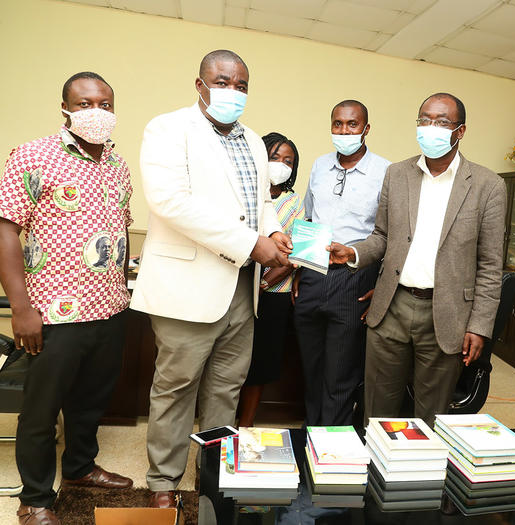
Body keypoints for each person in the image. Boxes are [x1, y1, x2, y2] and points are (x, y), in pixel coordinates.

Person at [130, 49, 291, 509]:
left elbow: (260, 202)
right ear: (200, 85)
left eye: (241, 86)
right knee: (176, 387)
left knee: (226, 388)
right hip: (188, 287)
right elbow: (171, 202)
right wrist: (250, 243)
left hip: (242, 291)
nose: (232, 92)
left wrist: (274, 229)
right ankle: (163, 483)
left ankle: (213, 476)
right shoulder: (168, 129)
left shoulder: (256, 141)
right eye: (223, 82)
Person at [0, 72, 133, 525]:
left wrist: (125, 290)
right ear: (66, 109)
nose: (96, 111)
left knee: (91, 402)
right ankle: (34, 498)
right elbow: (6, 231)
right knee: (41, 411)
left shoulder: (118, 166)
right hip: (53, 312)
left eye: (104, 103)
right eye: (85, 103)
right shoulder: (32, 156)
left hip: (110, 308)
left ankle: (79, 469)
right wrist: (20, 308)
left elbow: (119, 232)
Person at [329, 93, 506, 427]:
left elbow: (490, 265)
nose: (430, 128)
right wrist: (353, 253)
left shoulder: (488, 185)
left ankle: (419, 477)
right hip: (392, 307)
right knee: (376, 408)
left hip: (447, 312)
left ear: (460, 131)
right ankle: (374, 471)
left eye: (441, 122)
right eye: (424, 120)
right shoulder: (397, 174)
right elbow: (382, 236)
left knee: (431, 414)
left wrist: (479, 326)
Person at [293, 100, 390, 427]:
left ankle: (329, 450)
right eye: (338, 124)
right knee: (311, 367)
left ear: (366, 128)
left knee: (340, 373)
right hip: (311, 273)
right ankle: (311, 436)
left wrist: (383, 286)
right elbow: (309, 217)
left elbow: (390, 234)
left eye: (352, 124)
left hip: (354, 279)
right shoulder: (320, 165)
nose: (344, 131)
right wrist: (298, 268)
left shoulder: (385, 172)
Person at [237, 132, 305, 427]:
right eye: (275, 157)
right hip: (238, 287)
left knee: (261, 364)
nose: (280, 165)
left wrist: (264, 284)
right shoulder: (244, 193)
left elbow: (296, 252)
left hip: (274, 293)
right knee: (230, 361)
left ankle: (246, 424)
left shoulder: (294, 202)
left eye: (288, 161)